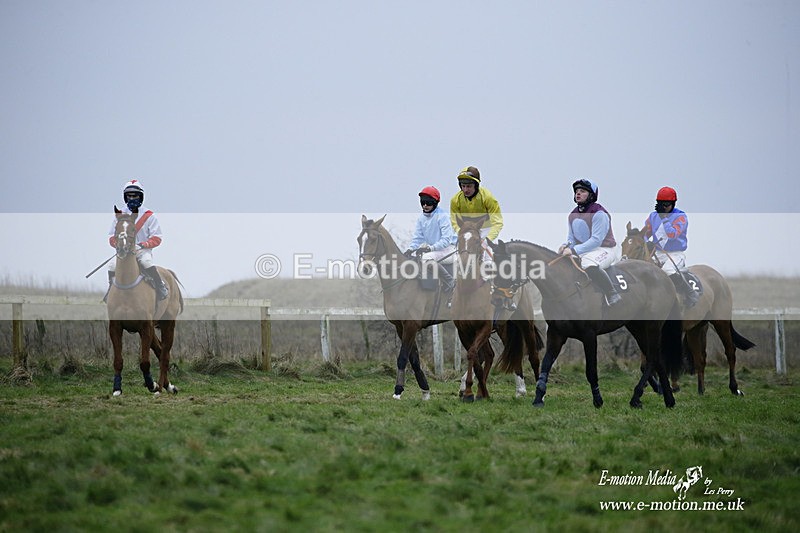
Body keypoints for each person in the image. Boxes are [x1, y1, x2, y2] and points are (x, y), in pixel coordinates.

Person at [558, 178, 622, 306]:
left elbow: (596, 241)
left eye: (582, 191)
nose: (578, 193)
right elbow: (571, 239)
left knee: (587, 263)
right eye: (577, 191)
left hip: (605, 249)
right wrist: (565, 246)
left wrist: (574, 250)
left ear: (591, 195)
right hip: (586, 250)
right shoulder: (572, 215)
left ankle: (612, 293)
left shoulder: (599, 213)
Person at [106, 179, 169, 301]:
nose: (132, 198)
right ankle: (110, 291)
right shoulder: (120, 214)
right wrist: (119, 245)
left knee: (147, 262)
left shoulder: (149, 216)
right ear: (125, 197)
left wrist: (143, 245)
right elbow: (111, 237)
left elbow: (157, 238)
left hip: (142, 250)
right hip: (124, 251)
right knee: (112, 266)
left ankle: (160, 287)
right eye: (129, 196)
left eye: (135, 196)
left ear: (141, 197)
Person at [642, 186, 699, 307]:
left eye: (666, 205)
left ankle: (690, 292)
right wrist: (648, 241)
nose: (664, 208)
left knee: (667, 271)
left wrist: (664, 218)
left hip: (675, 254)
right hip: (657, 252)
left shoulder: (681, 217)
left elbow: (672, 234)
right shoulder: (653, 216)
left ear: (673, 204)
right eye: (661, 205)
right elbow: (645, 234)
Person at [404, 186, 457, 292]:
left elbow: (446, 240)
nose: (425, 205)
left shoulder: (443, 216)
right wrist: (410, 249)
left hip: (449, 251)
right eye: (423, 202)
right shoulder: (421, 219)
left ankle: (450, 280)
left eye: (428, 202)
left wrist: (430, 248)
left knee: (426, 258)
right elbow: (418, 238)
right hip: (434, 251)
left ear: (435, 202)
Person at [449, 166, 503, 263]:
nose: (465, 190)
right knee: (457, 259)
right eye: (463, 186)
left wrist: (487, 240)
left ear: (476, 185)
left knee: (488, 260)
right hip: (467, 231)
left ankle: (489, 275)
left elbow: (497, 223)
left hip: (485, 230)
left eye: (469, 186)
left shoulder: (488, 198)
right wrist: (461, 234)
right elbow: (454, 222)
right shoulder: (455, 200)